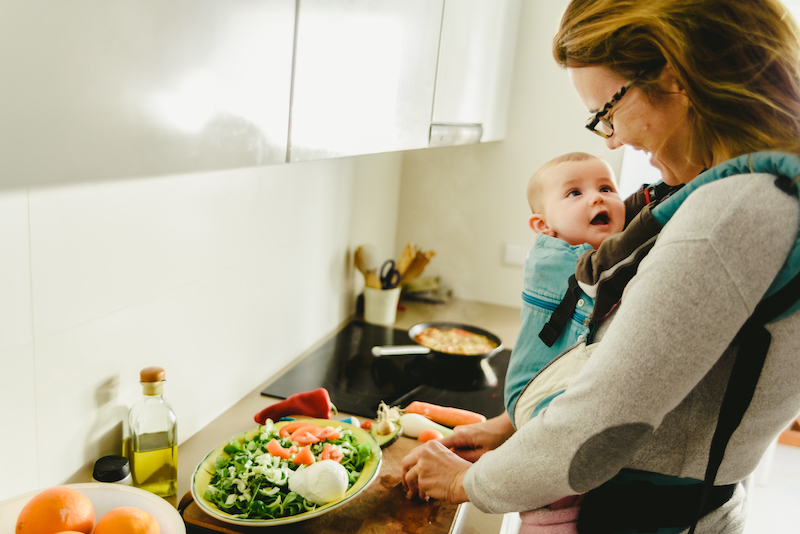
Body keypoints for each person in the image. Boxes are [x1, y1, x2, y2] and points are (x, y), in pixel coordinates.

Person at [401, 1, 800, 533]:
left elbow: (600, 427)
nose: (611, 140)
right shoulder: (770, 190)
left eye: (606, 111)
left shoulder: (732, 212)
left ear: (673, 74)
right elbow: (649, 372)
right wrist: (512, 424)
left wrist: (465, 483)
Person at [508, 152, 627, 532]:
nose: (597, 198)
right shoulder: (554, 259)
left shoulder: (590, 253)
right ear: (543, 226)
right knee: (555, 487)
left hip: (541, 390)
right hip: (539, 394)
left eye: (607, 188)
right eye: (574, 193)